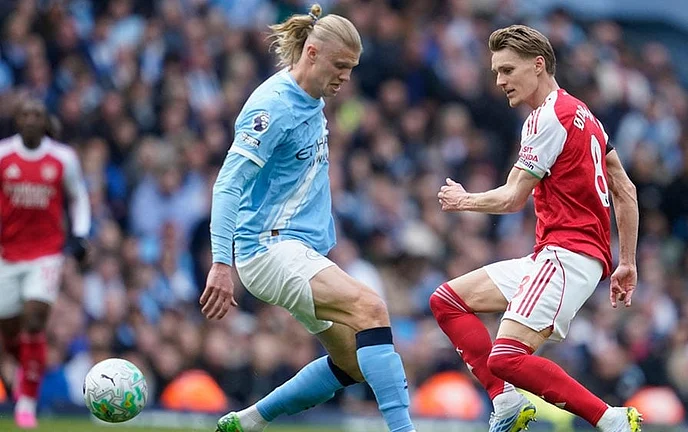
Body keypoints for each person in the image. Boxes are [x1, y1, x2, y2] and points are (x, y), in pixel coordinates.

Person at [200, 5, 414, 432]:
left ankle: (249, 421)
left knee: (352, 362)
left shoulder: (310, 95)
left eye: (351, 68)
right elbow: (226, 185)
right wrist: (221, 263)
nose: (346, 78)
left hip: (297, 248)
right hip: (269, 247)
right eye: (340, 66)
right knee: (372, 308)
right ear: (312, 53)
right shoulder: (272, 107)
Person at [431, 25, 641, 432]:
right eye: (496, 72)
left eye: (507, 70)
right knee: (447, 301)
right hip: (557, 255)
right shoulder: (585, 115)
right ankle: (506, 403)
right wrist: (627, 262)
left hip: (567, 255)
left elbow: (512, 198)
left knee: (507, 357)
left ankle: (611, 420)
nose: (500, 81)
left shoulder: (547, 118)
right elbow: (625, 189)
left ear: (538, 64)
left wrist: (464, 200)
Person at [0, 99, 90, 429]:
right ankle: (23, 367)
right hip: (7, 254)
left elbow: (78, 197)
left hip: (46, 253)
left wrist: (79, 235)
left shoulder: (63, 158)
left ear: (44, 121)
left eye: (37, 115)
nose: (31, 120)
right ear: (17, 120)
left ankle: (26, 404)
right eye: (25, 115)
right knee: (9, 331)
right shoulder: (3, 155)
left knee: (35, 319)